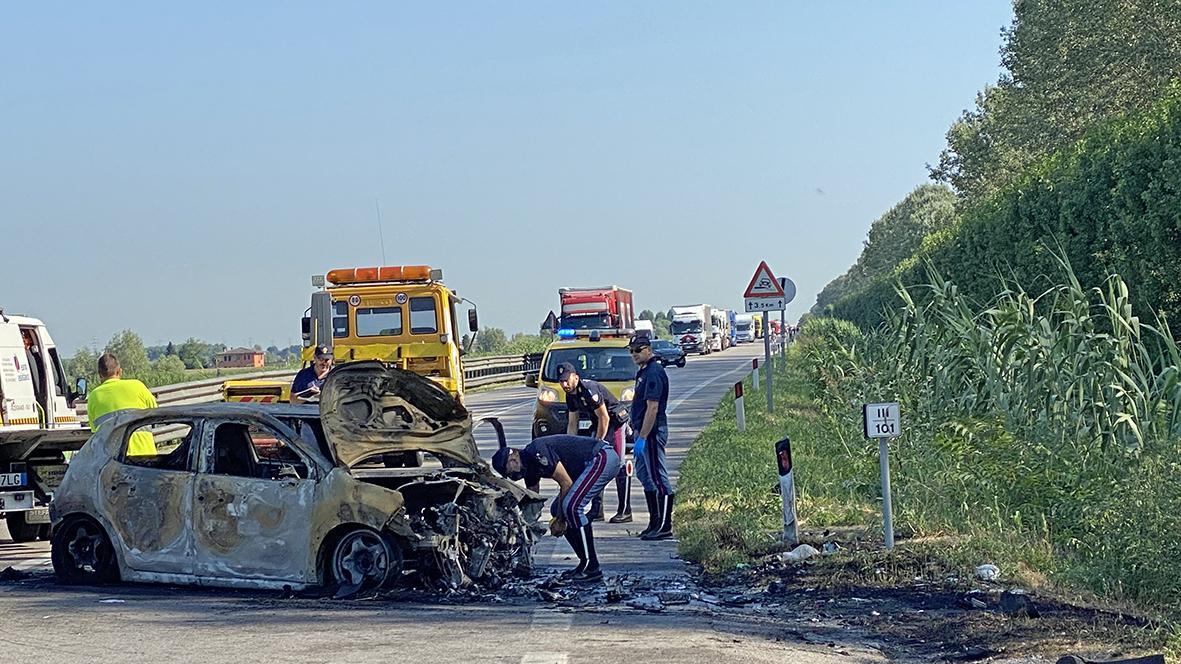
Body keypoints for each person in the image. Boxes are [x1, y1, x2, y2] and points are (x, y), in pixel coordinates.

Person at [492, 434, 621, 581]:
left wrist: (560, 520)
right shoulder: (529, 469)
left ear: (515, 453)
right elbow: (533, 499)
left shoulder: (537, 452)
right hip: (588, 465)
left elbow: (566, 483)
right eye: (509, 474)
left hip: (601, 457)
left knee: (572, 507)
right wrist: (524, 528)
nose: (513, 474)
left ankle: (591, 566)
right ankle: (584, 562)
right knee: (557, 509)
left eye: (511, 465)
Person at [557, 361, 632, 523]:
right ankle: (597, 510)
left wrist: (598, 442)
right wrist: (569, 445)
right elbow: (573, 423)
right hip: (598, 423)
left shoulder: (588, 389)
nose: (564, 385)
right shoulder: (570, 395)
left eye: (566, 380)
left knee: (618, 464)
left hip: (614, 422)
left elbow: (604, 417)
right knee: (594, 464)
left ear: (576, 377)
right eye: (561, 381)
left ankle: (625, 510)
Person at [628, 334, 673, 540]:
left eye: (638, 350)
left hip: (652, 431)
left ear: (648, 349)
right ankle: (654, 522)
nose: (634, 354)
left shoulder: (654, 372)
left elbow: (652, 408)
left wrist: (644, 437)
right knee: (645, 476)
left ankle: (665, 525)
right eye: (631, 351)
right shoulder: (643, 371)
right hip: (642, 430)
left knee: (658, 476)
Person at [86, 352, 158, 456]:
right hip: (145, 454)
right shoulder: (138, 386)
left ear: (100, 375)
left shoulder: (93, 397)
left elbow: (95, 431)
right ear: (119, 371)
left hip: (113, 459)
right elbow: (155, 413)